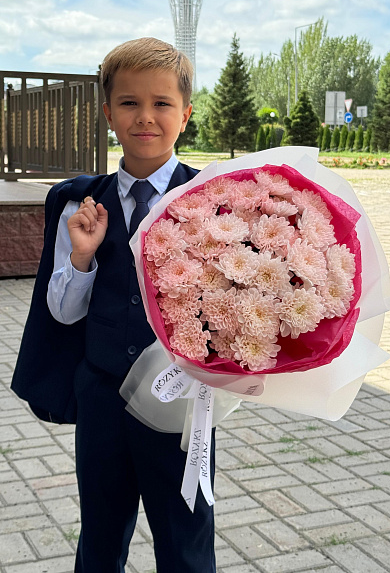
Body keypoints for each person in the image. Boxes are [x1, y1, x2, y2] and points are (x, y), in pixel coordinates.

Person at [11, 37, 216, 573]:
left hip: (181, 404)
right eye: (129, 103)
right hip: (101, 396)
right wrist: (82, 257)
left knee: (186, 544)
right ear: (108, 113)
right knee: (100, 541)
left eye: (162, 103)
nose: (145, 117)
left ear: (186, 114)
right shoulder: (80, 203)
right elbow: (62, 312)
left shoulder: (214, 201)